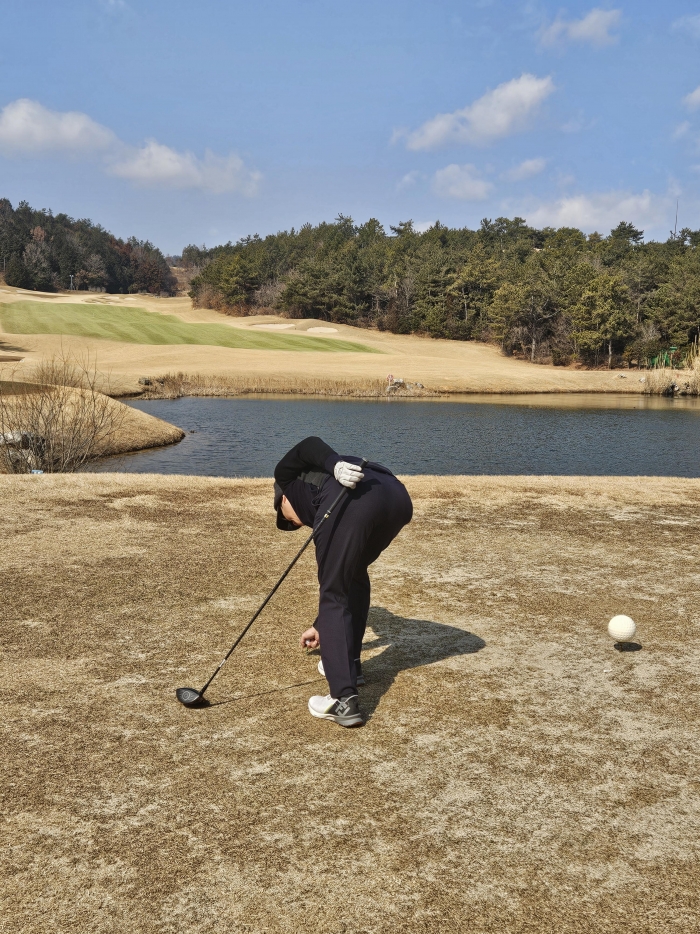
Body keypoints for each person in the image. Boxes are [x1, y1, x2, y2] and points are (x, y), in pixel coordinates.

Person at [273, 436, 413, 727]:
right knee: (353, 576)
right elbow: (344, 579)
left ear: (283, 499)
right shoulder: (320, 500)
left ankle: (343, 700)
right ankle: (351, 667)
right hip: (397, 498)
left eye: (290, 521)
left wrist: (334, 464)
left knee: (333, 594)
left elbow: (307, 445)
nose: (296, 524)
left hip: (356, 502)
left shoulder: (285, 479)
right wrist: (323, 624)